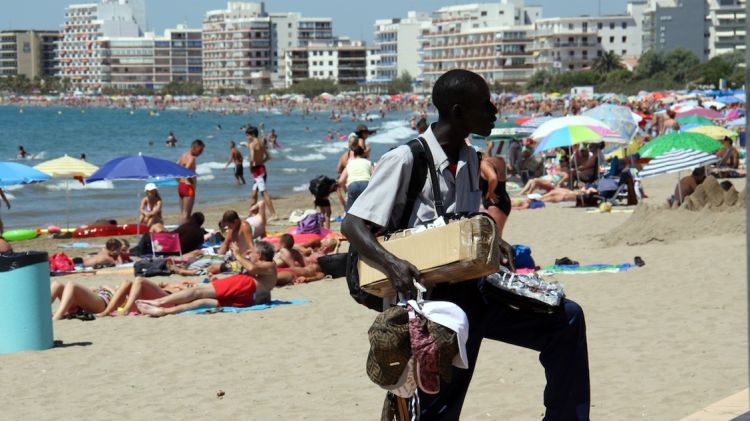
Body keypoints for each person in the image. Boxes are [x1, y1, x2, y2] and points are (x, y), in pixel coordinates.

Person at [342, 69, 589, 420]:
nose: (494, 111)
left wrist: (492, 238)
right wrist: (393, 264)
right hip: (432, 304)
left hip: (476, 291)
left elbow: (461, 223)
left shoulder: (471, 159)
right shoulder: (405, 160)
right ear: (458, 112)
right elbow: (352, 224)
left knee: (566, 319)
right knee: (438, 409)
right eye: (485, 105)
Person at [135, 241, 277, 316]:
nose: (250, 255)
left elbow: (251, 268)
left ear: (259, 254)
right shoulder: (265, 268)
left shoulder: (270, 265)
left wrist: (238, 254)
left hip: (245, 286)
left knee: (198, 291)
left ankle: (158, 302)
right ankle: (164, 311)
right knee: (203, 302)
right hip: (247, 296)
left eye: (252, 253)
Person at [246, 125, 277, 220]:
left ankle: (273, 214)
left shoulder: (252, 144)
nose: (247, 138)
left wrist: (251, 167)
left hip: (257, 171)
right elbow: (268, 156)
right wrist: (260, 162)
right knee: (254, 194)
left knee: (264, 193)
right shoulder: (261, 143)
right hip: (261, 169)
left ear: (252, 134)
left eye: (247, 135)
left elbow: (251, 158)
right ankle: (251, 215)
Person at [479, 155, 511, 238]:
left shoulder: (483, 164)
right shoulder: (497, 161)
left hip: (495, 204)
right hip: (503, 200)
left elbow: (493, 178)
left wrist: (490, 192)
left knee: (495, 238)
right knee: (497, 236)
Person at [176, 139, 204, 224]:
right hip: (188, 188)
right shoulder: (192, 158)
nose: (200, 153)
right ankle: (183, 234)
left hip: (181, 185)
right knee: (186, 214)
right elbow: (186, 171)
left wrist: (179, 180)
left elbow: (176, 166)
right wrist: (192, 182)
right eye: (200, 150)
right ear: (194, 147)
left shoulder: (183, 155)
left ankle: (181, 232)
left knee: (183, 213)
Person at [337, 145, 373, 211]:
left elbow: (341, 181)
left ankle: (350, 220)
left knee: (351, 210)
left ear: (354, 154)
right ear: (363, 153)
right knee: (367, 208)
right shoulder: (368, 162)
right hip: (366, 183)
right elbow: (375, 175)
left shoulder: (349, 164)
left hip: (353, 185)